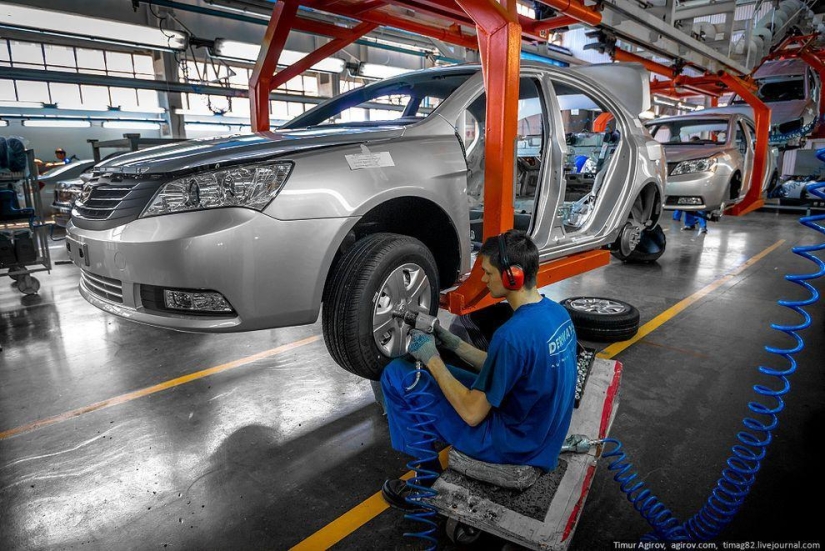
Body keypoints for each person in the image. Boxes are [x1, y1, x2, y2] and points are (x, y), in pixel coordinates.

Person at [380, 230, 578, 508]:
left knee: (396, 376)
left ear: (513, 276)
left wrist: (432, 359)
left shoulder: (511, 335)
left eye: (487, 272)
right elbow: (506, 367)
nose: (483, 279)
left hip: (511, 445)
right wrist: (454, 344)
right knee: (437, 374)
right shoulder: (555, 313)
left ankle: (426, 481)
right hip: (541, 433)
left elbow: (472, 414)